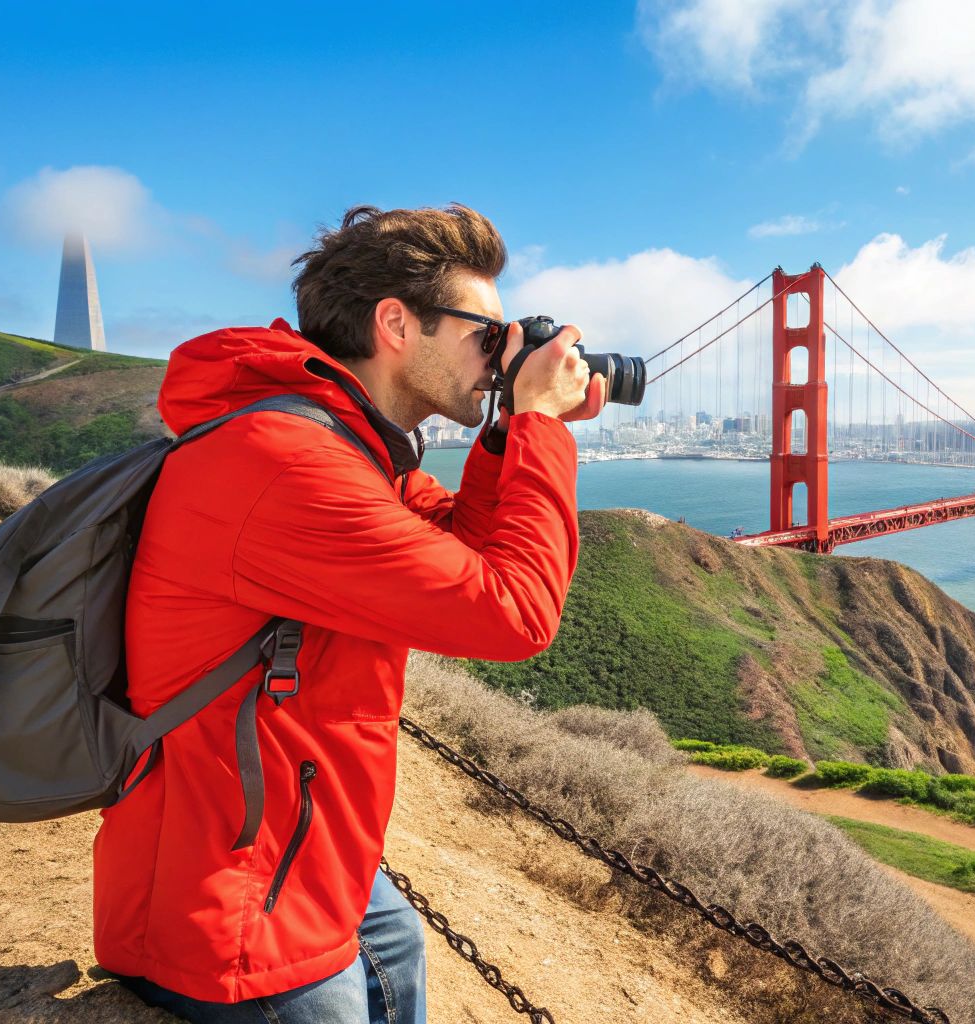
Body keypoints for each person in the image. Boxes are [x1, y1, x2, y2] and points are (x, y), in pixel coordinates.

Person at [98, 204, 603, 1023]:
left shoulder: (347, 450)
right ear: (397, 324)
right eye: (488, 335)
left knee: (393, 942)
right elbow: (515, 615)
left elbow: (464, 545)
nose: (499, 359)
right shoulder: (286, 466)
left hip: (282, 838)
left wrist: (511, 430)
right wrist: (543, 423)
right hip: (232, 906)